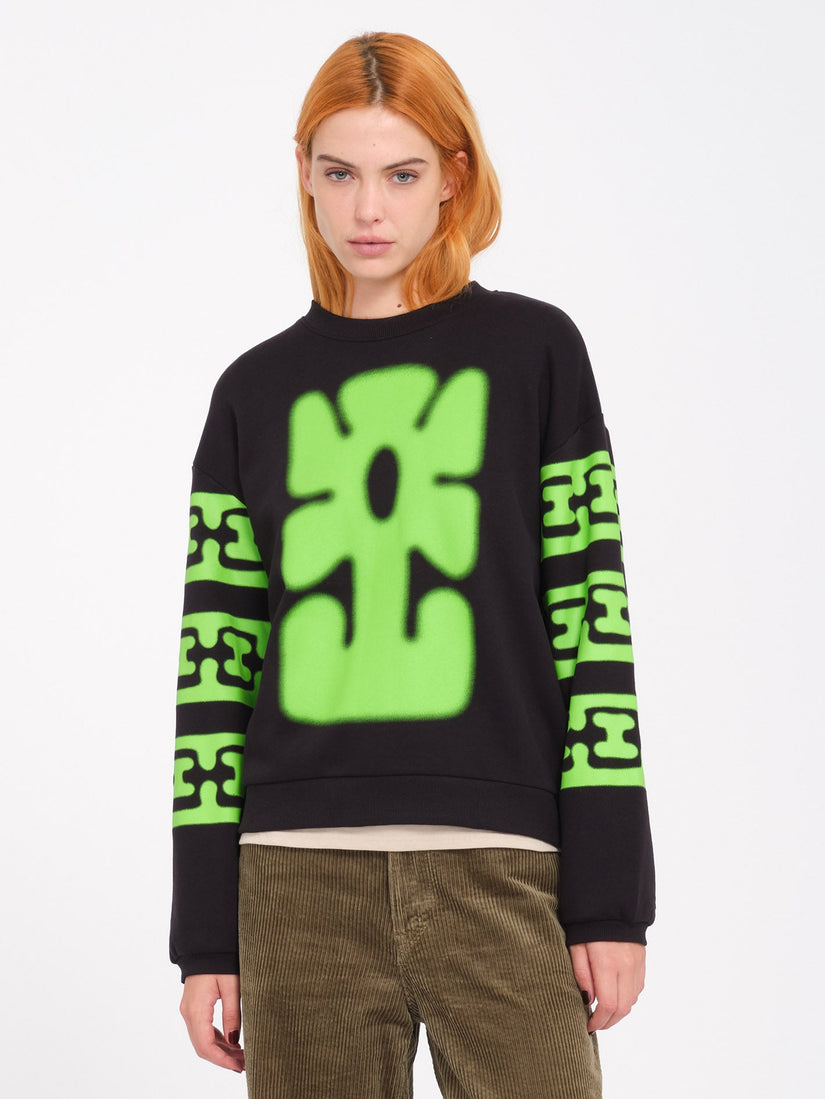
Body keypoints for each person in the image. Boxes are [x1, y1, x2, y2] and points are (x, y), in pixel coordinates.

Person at [171, 30, 655, 1099]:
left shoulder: (536, 354)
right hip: (293, 880)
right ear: (304, 175)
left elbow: (593, 621)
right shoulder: (252, 393)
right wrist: (204, 933)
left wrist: (611, 900)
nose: (367, 209)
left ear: (453, 177)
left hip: (502, 864)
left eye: (401, 173)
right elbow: (215, 667)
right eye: (339, 172)